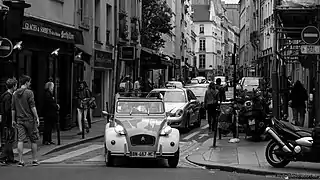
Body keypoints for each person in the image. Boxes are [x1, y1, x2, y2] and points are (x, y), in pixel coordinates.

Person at [12, 75, 40, 167]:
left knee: (20, 140)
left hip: (19, 119)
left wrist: (13, 119)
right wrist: (37, 117)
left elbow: (13, 109)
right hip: (29, 119)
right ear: (26, 82)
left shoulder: (15, 93)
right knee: (33, 139)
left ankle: (21, 160)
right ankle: (34, 159)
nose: (30, 83)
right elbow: (32, 106)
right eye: (29, 82)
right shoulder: (29, 93)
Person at [0, 78, 18, 165]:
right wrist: (12, 120)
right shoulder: (8, 96)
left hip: (6, 121)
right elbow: (8, 110)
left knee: (9, 139)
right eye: (16, 85)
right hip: (8, 121)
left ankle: (10, 158)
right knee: (8, 139)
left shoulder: (6, 95)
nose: (17, 87)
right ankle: (2, 157)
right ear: (13, 86)